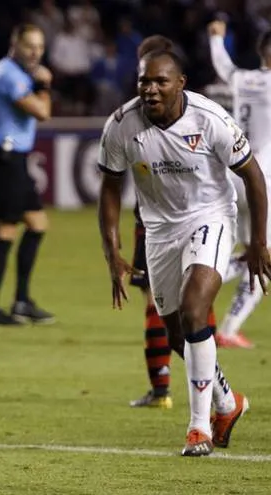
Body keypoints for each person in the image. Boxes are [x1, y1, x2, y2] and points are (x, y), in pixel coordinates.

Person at [98, 49, 260, 455]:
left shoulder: (210, 120)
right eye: (144, 82)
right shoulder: (120, 126)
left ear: (180, 84)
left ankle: (199, 428)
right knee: (176, 334)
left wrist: (258, 243)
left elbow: (253, 176)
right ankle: (227, 402)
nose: (150, 90)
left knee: (193, 310)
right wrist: (112, 251)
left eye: (160, 82)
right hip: (159, 231)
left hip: (212, 217)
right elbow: (110, 189)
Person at [127, 35, 222, 409]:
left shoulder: (192, 116)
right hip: (167, 219)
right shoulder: (147, 110)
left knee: (162, 303)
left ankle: (164, 388)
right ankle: (209, 391)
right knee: (195, 305)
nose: (147, 80)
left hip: (164, 221)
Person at [0, 23, 54, 326]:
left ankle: (22, 301)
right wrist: (45, 86)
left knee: (37, 224)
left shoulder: (19, 74)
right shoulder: (8, 73)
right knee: (6, 229)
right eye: (30, 46)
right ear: (15, 44)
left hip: (15, 159)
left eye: (40, 47)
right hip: (5, 158)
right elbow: (42, 112)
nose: (35, 52)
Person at [207, 20, 271, 349]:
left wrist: (216, 38)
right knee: (264, 258)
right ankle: (229, 328)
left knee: (250, 252)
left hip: (235, 173)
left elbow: (223, 66)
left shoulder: (243, 78)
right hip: (263, 183)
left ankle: (202, 273)